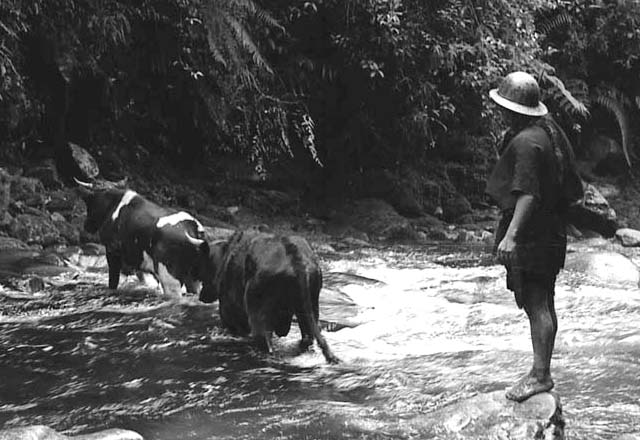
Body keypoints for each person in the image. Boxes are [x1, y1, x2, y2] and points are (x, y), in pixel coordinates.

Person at [485, 71, 584, 402]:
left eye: (503, 108)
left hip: (533, 235)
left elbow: (526, 193)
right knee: (544, 301)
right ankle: (540, 371)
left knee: (537, 303)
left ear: (513, 110)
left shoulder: (527, 142)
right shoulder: (549, 132)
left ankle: (540, 375)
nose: (500, 113)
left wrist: (511, 236)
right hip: (551, 232)